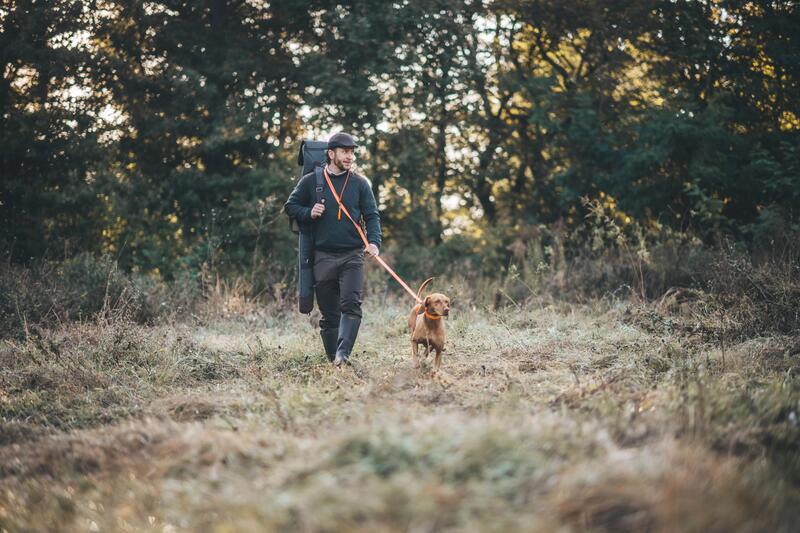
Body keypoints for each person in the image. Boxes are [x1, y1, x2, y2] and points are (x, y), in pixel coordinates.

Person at [284, 132, 381, 366]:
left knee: (351, 305)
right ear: (331, 153)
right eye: (345, 152)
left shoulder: (360, 183)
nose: (349, 157)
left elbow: (372, 215)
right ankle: (333, 362)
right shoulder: (310, 181)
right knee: (329, 315)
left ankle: (343, 355)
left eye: (352, 152)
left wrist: (374, 242)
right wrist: (309, 212)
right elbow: (290, 206)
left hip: (352, 255)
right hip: (322, 256)